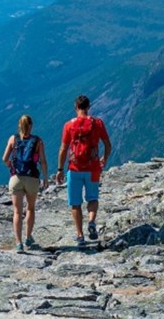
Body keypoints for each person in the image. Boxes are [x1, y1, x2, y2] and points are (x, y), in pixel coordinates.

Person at [55, 95, 111, 247]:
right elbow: (107, 144)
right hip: (93, 168)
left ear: (76, 108)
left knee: (75, 203)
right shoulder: (98, 123)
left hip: (74, 168)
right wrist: (103, 159)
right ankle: (91, 221)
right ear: (88, 107)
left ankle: (80, 235)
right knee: (92, 198)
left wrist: (60, 169)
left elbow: (63, 149)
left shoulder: (68, 125)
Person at [2, 114, 49, 252]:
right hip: (32, 178)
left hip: (16, 178)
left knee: (17, 212)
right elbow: (43, 161)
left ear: (19, 126)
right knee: (30, 208)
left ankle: (18, 243)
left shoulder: (13, 139)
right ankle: (28, 237)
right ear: (31, 125)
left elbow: (4, 158)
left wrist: (11, 166)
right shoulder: (38, 141)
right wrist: (45, 178)